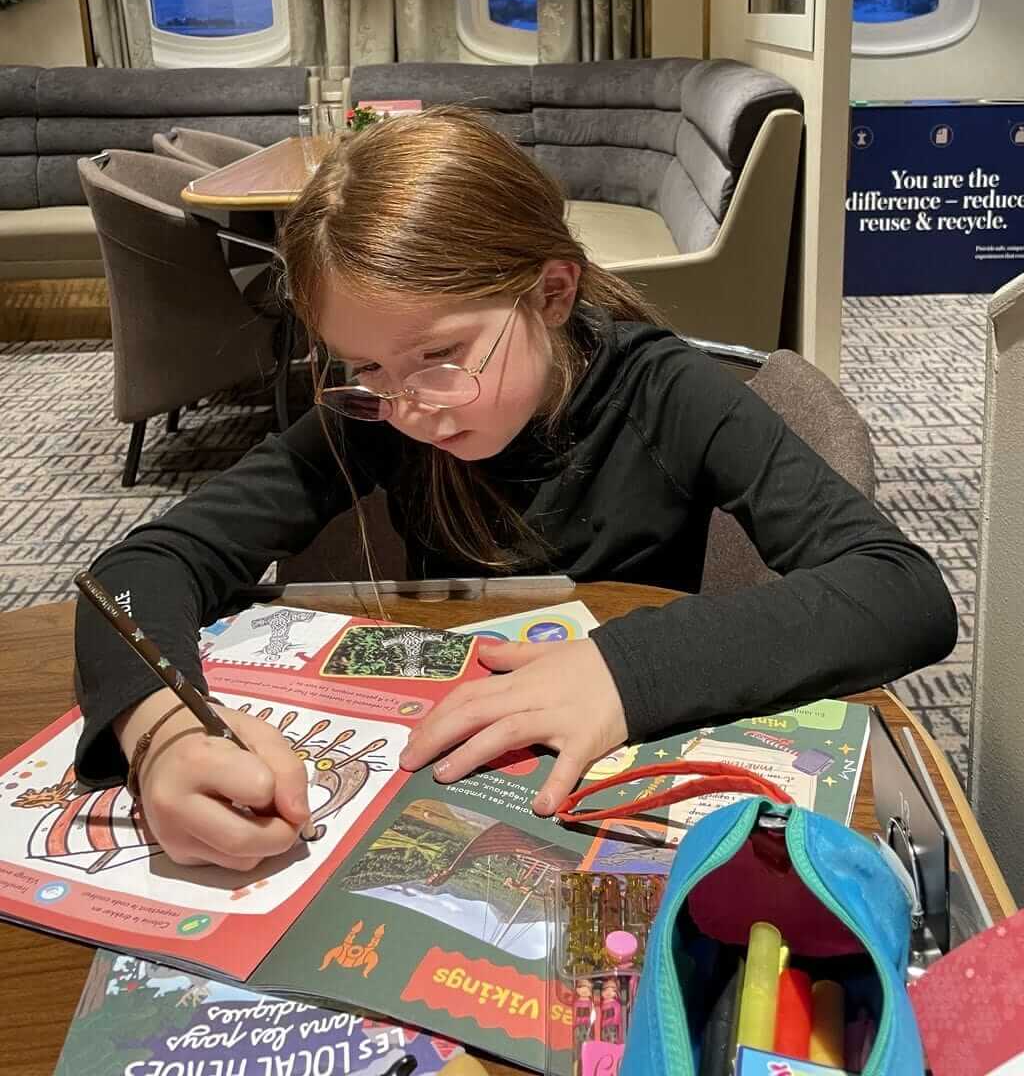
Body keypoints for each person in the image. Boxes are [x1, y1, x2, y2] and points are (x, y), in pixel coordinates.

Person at [74, 108, 957, 875]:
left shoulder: (668, 393)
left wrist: (628, 668)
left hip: (636, 751)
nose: (408, 408)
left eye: (440, 358)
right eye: (366, 368)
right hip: (455, 760)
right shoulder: (380, 411)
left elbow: (901, 590)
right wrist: (163, 733)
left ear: (551, 294)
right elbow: (143, 565)